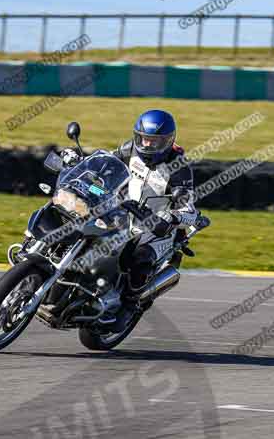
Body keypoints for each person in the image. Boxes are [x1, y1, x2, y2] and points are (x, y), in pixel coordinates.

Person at [64, 109, 200, 332]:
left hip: (157, 226)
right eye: (144, 139)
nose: (147, 146)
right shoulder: (130, 149)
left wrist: (171, 219)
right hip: (122, 212)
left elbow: (188, 210)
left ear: (168, 141)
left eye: (155, 142)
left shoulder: (179, 168)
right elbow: (105, 162)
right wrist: (81, 161)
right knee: (83, 226)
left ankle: (129, 306)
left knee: (140, 259)